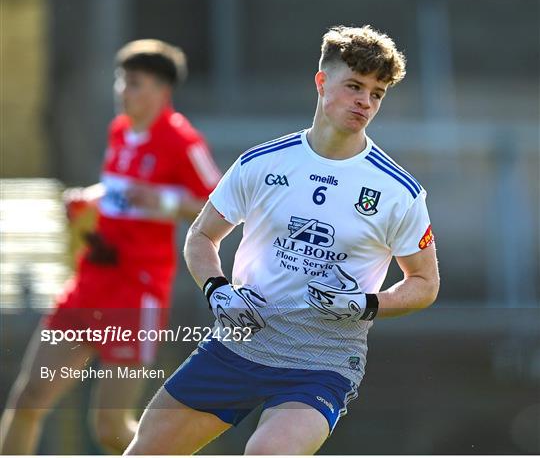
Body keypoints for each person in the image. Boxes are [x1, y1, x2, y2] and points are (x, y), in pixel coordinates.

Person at [125, 25, 440, 455]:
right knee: (143, 452)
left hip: (321, 360)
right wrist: (218, 292)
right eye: (354, 86)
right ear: (322, 81)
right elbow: (201, 236)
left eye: (377, 93)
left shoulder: (398, 191)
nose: (365, 102)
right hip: (238, 342)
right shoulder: (262, 162)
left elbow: (424, 284)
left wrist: (367, 304)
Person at [0, 39, 221, 454]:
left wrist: (168, 202)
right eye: (121, 80)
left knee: (109, 428)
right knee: (29, 398)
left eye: (134, 83)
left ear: (161, 89)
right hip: (89, 283)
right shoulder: (120, 130)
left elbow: (220, 205)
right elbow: (123, 189)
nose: (123, 90)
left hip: (134, 293)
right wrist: (89, 197)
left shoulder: (181, 141)